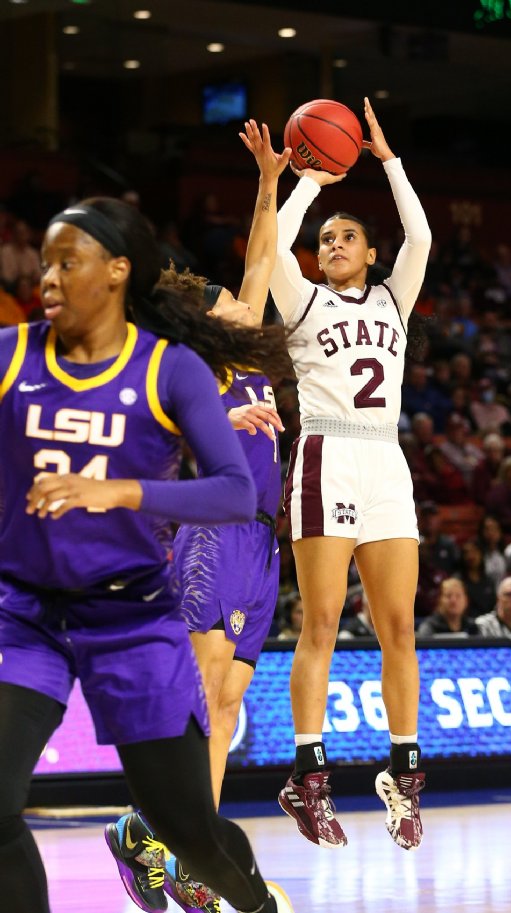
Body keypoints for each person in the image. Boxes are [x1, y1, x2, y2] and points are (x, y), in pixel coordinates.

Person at [0, 133, 294, 913]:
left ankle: (225, 881)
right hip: (33, 608)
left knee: (199, 787)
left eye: (69, 260)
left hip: (167, 589)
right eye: (45, 259)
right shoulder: (15, 355)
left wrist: (273, 184)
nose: (46, 274)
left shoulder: (187, 362)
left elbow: (260, 260)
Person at [106, 122, 291, 913]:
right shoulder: (180, 373)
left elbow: (259, 256)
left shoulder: (244, 357)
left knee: (226, 704)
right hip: (211, 532)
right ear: (201, 318)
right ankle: (148, 827)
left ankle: (194, 848)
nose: (242, 302)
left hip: (262, 538)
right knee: (199, 689)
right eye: (224, 301)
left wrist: (267, 181)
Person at [268, 96, 431, 852]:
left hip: (384, 460)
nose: (331, 243)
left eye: (345, 237)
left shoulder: (395, 298)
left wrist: (387, 161)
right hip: (325, 452)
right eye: (326, 237)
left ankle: (402, 770)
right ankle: (308, 773)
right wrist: (310, 177)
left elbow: (421, 233)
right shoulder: (298, 301)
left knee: (399, 625)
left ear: (370, 254)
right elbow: (269, 244)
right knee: (323, 621)